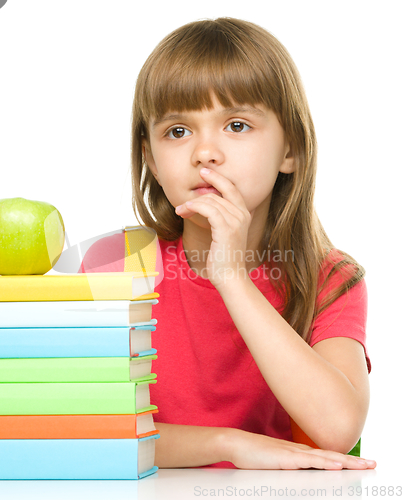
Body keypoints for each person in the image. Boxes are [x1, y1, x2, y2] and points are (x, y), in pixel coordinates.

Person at [82, 17, 376, 470]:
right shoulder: (114, 265)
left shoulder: (329, 278)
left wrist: (232, 278)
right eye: (178, 131)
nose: (204, 152)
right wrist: (228, 444)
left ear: (290, 150)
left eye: (236, 125)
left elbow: (337, 428)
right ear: (152, 160)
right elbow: (86, 428)